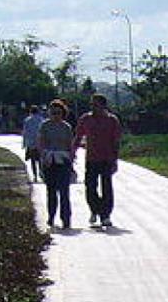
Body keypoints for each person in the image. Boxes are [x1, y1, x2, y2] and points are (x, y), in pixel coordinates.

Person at [74, 93, 124, 228]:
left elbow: (116, 141)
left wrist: (115, 159)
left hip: (107, 158)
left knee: (107, 187)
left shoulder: (112, 120)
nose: (93, 107)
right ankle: (95, 209)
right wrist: (73, 152)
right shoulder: (86, 119)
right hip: (91, 158)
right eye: (92, 104)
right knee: (90, 186)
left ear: (103, 105)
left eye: (96, 104)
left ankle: (106, 214)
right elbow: (78, 136)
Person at [36, 100, 77, 229]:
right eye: (53, 112)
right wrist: (43, 157)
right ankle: (51, 216)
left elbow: (70, 145)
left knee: (64, 192)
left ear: (62, 113)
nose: (55, 115)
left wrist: (71, 161)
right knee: (51, 191)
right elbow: (41, 143)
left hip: (63, 160)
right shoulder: (45, 126)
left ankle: (66, 219)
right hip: (49, 161)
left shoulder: (66, 127)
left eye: (58, 113)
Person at [20, 103, 47, 184]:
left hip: (31, 143)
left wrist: (24, 143)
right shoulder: (42, 120)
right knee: (40, 160)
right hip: (40, 143)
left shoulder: (27, 120)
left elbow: (25, 132)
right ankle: (41, 173)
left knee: (33, 160)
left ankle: (35, 175)